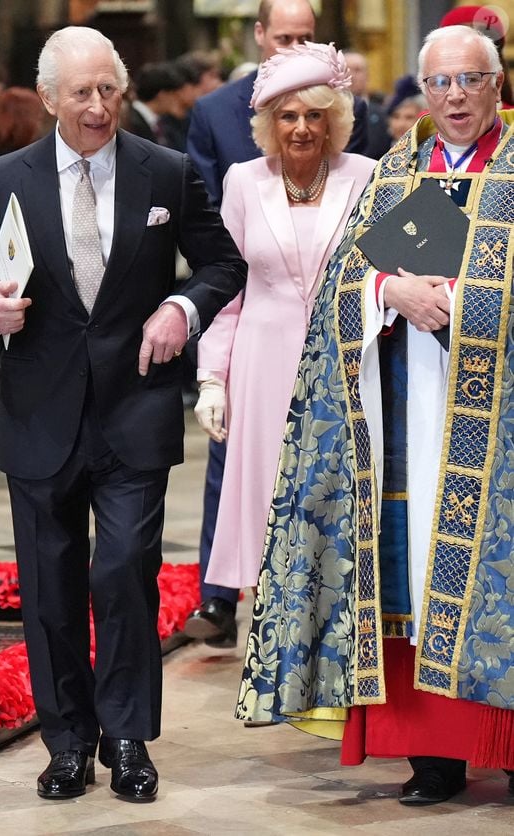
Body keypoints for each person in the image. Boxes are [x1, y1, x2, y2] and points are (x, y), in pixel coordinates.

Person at [0, 26, 246, 803]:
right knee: (50, 588)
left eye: (108, 89)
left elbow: (223, 263)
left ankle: (127, 738)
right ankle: (69, 744)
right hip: (39, 414)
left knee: (124, 574)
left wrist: (182, 308)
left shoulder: (165, 170)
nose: (97, 106)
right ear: (50, 98)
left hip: (134, 408)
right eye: (81, 92)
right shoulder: (5, 179)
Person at [235, 24, 514, 805]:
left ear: (497, 86)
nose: (454, 96)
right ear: (423, 91)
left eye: (470, 80)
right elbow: (343, 282)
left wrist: (465, 298)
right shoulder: (397, 172)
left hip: (497, 425)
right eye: (440, 82)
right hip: (406, 415)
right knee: (413, 578)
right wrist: (391, 292)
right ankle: (435, 757)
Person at [194, 42, 375, 598]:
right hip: (262, 366)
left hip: (344, 366)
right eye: (288, 116)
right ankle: (270, 628)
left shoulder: (368, 177)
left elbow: (387, 272)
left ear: (334, 120)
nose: (301, 128)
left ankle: (337, 623)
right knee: (267, 499)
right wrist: (211, 379)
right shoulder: (244, 181)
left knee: (337, 500)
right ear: (270, 124)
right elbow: (226, 288)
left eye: (315, 115)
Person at [184, 0, 318, 649]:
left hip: (323, 334)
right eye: (283, 36)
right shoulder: (217, 115)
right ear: (260, 35)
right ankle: (220, 596)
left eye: (305, 37)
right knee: (232, 460)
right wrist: (213, 369)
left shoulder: (347, 125)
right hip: (251, 312)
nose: (293, 48)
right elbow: (205, 214)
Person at [343, 50, 390, 159]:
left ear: (367, 75)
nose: (351, 75)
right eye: (345, 70)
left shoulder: (383, 115)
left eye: (357, 70)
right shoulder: (329, 113)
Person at [384, 75, 426, 144]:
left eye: (409, 117)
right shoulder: (381, 148)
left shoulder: (433, 149)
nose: (401, 124)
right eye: (396, 117)